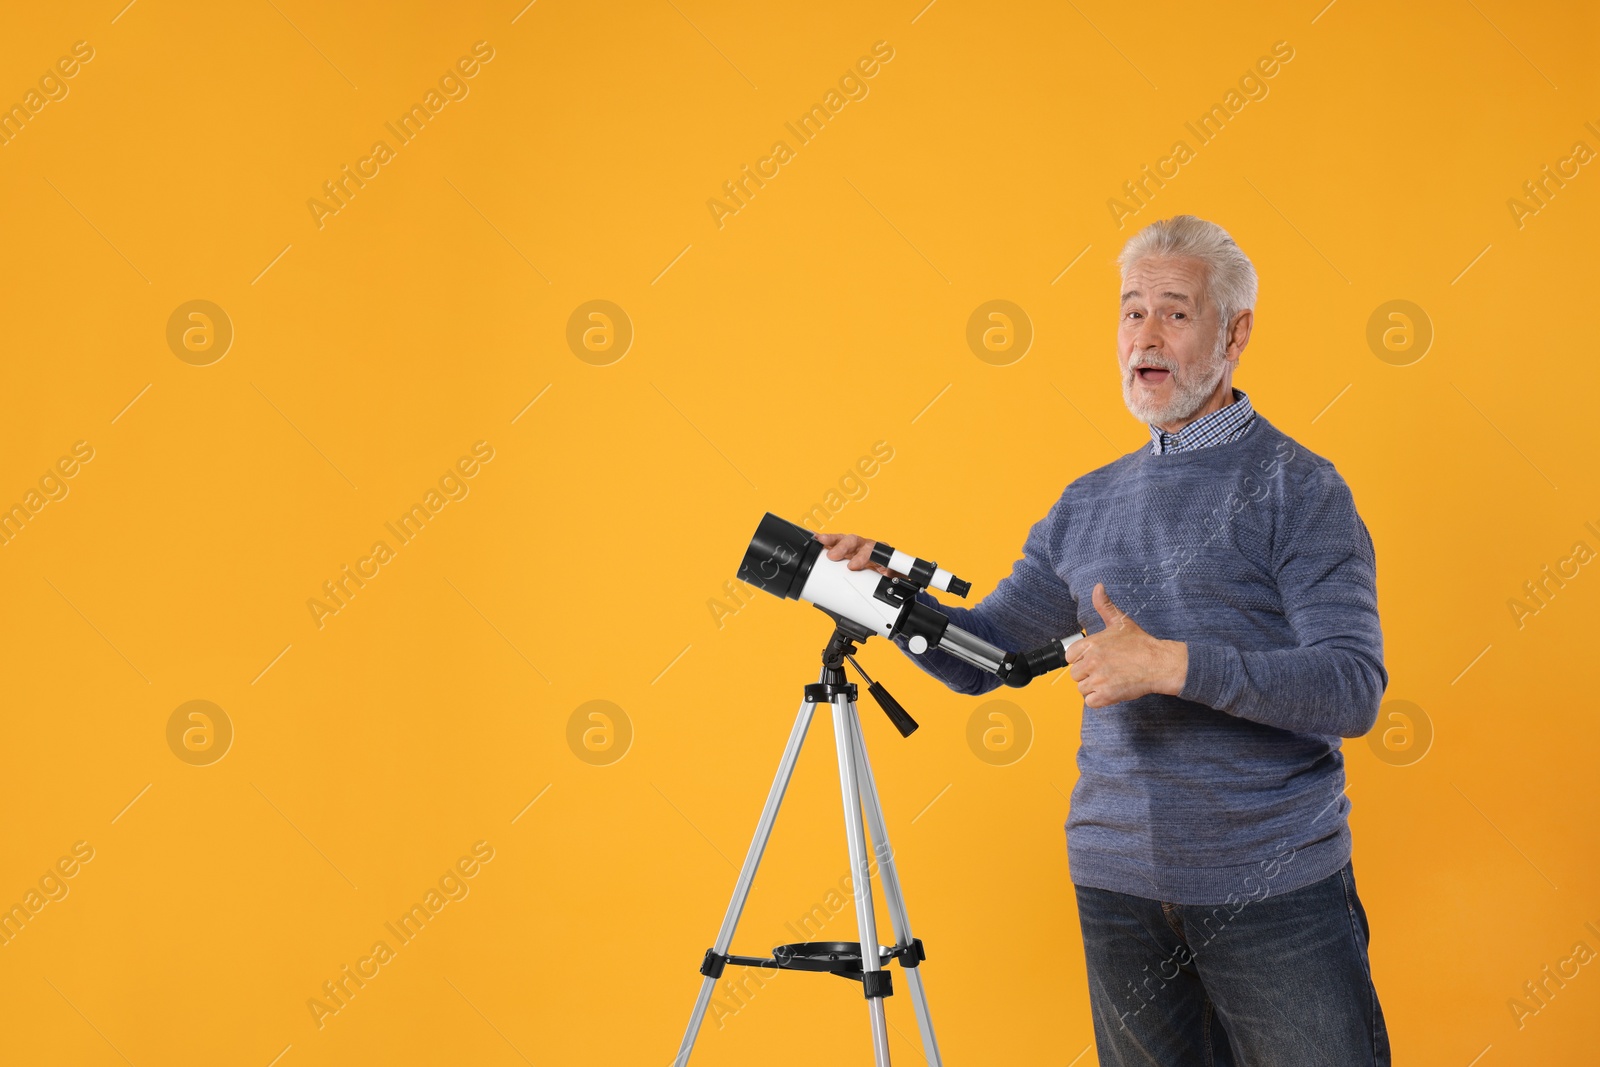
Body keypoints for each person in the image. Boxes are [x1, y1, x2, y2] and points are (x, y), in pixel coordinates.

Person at [816, 215, 1390, 1066]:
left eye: (1174, 312)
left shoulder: (1299, 490)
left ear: (1235, 334)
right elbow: (991, 658)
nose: (1144, 337)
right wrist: (885, 602)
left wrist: (1169, 665)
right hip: (1118, 887)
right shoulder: (1087, 502)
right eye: (1129, 312)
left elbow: (1351, 687)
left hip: (1273, 887)